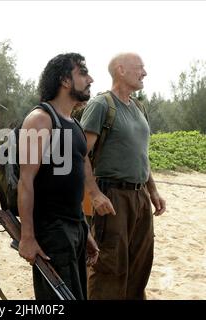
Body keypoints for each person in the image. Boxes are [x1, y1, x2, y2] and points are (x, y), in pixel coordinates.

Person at [81, 52, 166, 300]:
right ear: (121, 70)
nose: (145, 73)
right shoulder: (101, 105)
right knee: (108, 265)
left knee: (140, 264)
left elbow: (141, 154)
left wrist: (153, 191)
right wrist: (94, 194)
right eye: (140, 67)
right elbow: (80, 154)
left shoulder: (139, 107)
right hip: (112, 196)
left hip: (139, 198)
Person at [17, 53, 100, 300]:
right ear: (65, 80)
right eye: (83, 73)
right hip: (52, 231)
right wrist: (27, 237)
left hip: (74, 229)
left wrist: (84, 231)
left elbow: (72, 186)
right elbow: (25, 181)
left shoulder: (73, 124)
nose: (90, 79)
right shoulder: (41, 119)